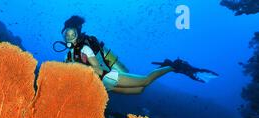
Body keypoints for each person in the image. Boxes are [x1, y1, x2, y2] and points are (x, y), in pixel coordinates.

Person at [56, 16, 219, 94]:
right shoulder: (68, 56)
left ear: (77, 32)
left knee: (145, 80)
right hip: (101, 85)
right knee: (139, 90)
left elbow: (97, 68)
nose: (68, 37)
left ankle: (174, 65)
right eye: (66, 34)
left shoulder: (85, 48)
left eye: (71, 33)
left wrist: (81, 71)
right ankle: (166, 66)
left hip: (107, 77)